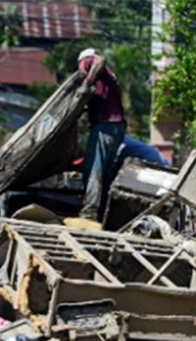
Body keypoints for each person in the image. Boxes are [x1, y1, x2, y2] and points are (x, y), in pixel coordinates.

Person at [75, 48, 127, 223]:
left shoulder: (89, 60)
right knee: (103, 172)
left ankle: (89, 213)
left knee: (94, 168)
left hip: (106, 126)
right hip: (115, 127)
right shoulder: (106, 79)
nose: (80, 73)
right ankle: (102, 213)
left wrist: (83, 85)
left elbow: (100, 60)